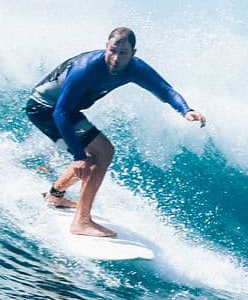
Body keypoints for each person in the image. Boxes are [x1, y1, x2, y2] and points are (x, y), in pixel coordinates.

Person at [25, 27, 207, 237]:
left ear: (133, 54)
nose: (116, 58)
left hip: (67, 110)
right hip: (45, 108)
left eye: (123, 53)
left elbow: (164, 90)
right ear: (106, 47)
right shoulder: (86, 68)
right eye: (112, 50)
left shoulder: (135, 69)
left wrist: (186, 110)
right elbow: (61, 112)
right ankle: (81, 222)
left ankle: (55, 195)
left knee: (100, 153)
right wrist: (77, 156)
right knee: (100, 153)